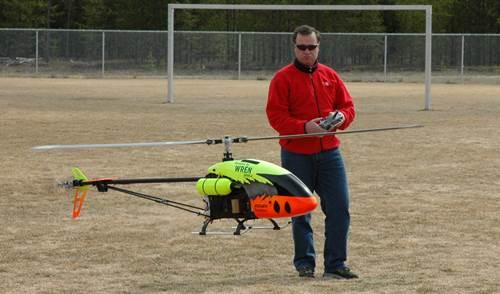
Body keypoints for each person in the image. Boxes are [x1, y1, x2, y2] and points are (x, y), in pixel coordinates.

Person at [266, 25, 358, 279]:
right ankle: (304, 263)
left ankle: (336, 264)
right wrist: (304, 127)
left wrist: (341, 118)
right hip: (296, 155)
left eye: (311, 47)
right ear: (294, 47)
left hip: (330, 154)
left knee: (340, 208)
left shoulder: (330, 75)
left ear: (319, 47)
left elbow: (348, 107)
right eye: (302, 47)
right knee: (300, 211)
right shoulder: (282, 78)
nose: (307, 52)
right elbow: (276, 116)